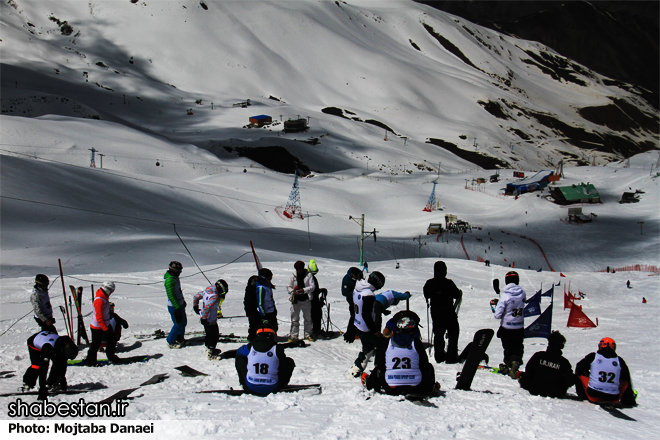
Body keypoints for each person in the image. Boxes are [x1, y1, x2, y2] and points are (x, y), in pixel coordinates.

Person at [364, 312, 439, 396]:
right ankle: (430, 389)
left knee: (379, 368)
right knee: (429, 367)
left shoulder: (388, 343)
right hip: (416, 387)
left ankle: (371, 384)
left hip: (391, 388)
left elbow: (380, 364)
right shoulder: (416, 343)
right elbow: (424, 364)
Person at [235, 324, 296, 395]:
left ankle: (243, 383)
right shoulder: (277, 349)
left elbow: (238, 352)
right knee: (288, 361)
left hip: (251, 386)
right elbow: (283, 366)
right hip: (273, 387)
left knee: (240, 357)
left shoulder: (250, 347)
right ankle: (282, 383)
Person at [574, 337, 637, 406]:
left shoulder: (593, 356)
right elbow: (626, 379)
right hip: (613, 398)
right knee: (625, 380)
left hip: (593, 396)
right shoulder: (619, 360)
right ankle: (627, 400)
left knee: (581, 372)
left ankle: (582, 395)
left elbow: (579, 367)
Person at [423, 261, 462, 363]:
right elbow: (457, 295)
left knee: (438, 334)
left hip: (435, 312)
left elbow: (426, 294)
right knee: (453, 331)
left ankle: (439, 356)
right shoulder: (449, 283)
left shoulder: (429, 283)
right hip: (448, 311)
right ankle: (451, 356)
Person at [22, 331, 78, 400]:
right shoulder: (48, 347)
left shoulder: (67, 343)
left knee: (59, 362)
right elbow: (43, 369)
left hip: (50, 340)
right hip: (34, 342)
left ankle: (53, 382)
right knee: (36, 365)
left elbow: (63, 363)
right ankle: (28, 383)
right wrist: (42, 389)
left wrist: (62, 379)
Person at [350, 271, 386, 378]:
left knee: (368, 348)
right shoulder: (368, 295)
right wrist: (375, 331)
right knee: (383, 346)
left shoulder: (358, 286)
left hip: (358, 324)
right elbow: (366, 315)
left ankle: (355, 370)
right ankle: (380, 369)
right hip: (366, 328)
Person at [519, 331, 574, 396]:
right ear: (561, 345)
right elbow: (570, 380)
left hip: (534, 389)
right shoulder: (564, 362)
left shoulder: (538, 356)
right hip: (555, 392)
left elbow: (528, 370)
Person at [493, 270, 526, 375]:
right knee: (518, 346)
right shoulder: (522, 294)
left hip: (506, 327)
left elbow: (497, 315)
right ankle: (516, 361)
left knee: (508, 347)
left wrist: (497, 306)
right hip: (519, 326)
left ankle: (508, 364)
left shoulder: (505, 296)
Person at [85, 281, 121, 366]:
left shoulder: (104, 297)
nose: (111, 293)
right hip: (98, 327)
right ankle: (90, 361)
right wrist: (105, 328)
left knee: (112, 341)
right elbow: (99, 317)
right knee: (96, 344)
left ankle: (111, 357)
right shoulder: (99, 300)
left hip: (104, 324)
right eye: (111, 291)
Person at [193, 279, 228, 360]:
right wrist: (204, 318)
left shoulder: (207, 291)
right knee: (214, 335)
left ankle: (209, 348)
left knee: (209, 334)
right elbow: (207, 307)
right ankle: (210, 354)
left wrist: (195, 306)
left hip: (206, 318)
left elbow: (196, 296)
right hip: (210, 319)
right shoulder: (214, 296)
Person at [287, 260, 316, 342]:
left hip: (306, 299)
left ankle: (308, 334)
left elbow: (312, 286)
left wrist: (304, 290)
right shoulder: (293, 276)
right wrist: (293, 292)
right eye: (297, 269)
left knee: (308, 318)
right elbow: (288, 286)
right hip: (296, 300)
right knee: (295, 319)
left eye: (300, 269)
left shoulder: (308, 275)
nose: (299, 271)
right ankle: (293, 335)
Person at [247, 268, 278, 340]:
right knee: (266, 327)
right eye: (269, 278)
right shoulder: (261, 288)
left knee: (275, 327)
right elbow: (260, 303)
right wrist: (263, 316)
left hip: (271, 311)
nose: (270, 280)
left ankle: (270, 337)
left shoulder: (267, 285)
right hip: (265, 313)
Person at [164, 261, 187, 349]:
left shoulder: (175, 278)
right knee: (178, 324)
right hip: (174, 306)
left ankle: (180, 338)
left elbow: (179, 291)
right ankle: (170, 341)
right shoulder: (169, 280)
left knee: (183, 323)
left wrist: (183, 300)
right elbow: (171, 295)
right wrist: (177, 307)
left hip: (179, 304)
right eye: (179, 270)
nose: (180, 272)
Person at [342, 267, 363, 343]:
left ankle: (360, 331)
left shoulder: (360, 275)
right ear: (352, 275)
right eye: (355, 277)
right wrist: (355, 294)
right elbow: (344, 292)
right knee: (354, 316)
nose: (357, 278)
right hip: (352, 300)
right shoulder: (347, 280)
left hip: (361, 300)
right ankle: (350, 333)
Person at [308, 259, 328, 339]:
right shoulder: (310, 278)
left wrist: (321, 291)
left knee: (316, 315)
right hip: (312, 300)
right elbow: (312, 290)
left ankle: (316, 329)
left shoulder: (309, 277)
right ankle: (315, 330)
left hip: (313, 299)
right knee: (315, 315)